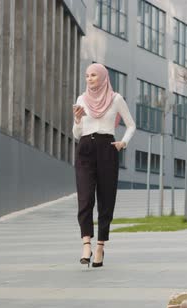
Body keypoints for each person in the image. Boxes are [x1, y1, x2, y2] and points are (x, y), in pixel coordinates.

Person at [73, 63, 135, 268]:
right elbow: (76, 133)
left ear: (102, 77)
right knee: (85, 197)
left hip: (107, 148)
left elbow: (131, 124)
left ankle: (100, 246)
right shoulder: (82, 99)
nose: (89, 79)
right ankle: (86, 243)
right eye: (86, 75)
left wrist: (123, 142)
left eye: (93, 75)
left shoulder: (116, 99)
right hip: (85, 149)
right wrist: (77, 120)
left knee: (106, 199)